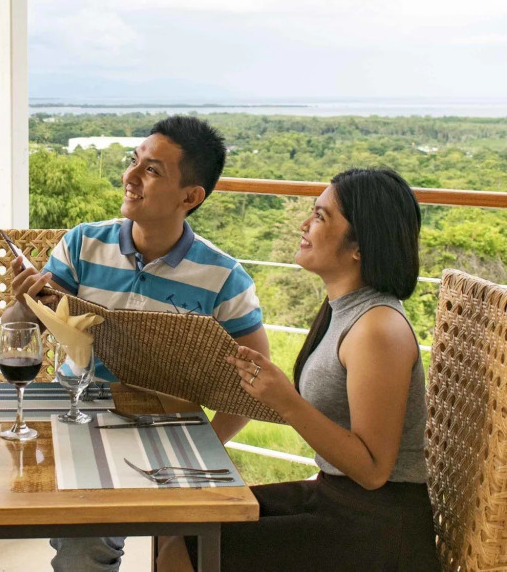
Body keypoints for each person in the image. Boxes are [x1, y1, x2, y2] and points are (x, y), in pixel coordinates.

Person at [0, 115, 272, 572]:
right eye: (134, 161)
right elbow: (22, 333)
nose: (130, 176)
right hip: (65, 410)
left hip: (150, 428)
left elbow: (256, 384)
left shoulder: (223, 278)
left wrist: (201, 447)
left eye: (151, 170)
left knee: (85, 550)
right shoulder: (83, 243)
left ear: (190, 197)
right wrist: (23, 302)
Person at [158, 167, 440, 571]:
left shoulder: (377, 329)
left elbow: (374, 470)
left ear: (360, 246)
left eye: (321, 216)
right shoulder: (342, 309)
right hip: (336, 496)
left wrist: (286, 401)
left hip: (377, 525)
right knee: (178, 520)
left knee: (185, 548)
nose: (304, 225)